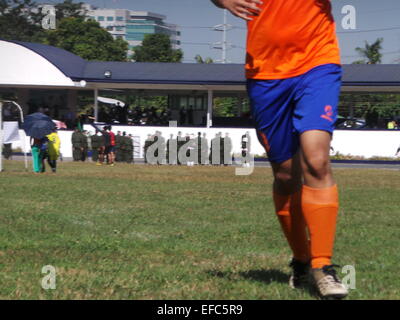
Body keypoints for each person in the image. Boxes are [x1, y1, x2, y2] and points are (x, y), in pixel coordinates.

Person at [211, 0, 348, 298]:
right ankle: (301, 261)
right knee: (286, 175)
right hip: (265, 75)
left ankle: (323, 267)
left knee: (316, 159)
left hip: (317, 64)